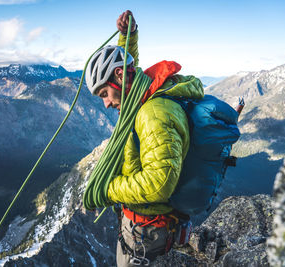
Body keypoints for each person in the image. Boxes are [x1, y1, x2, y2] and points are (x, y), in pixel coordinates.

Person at [85, 10, 204, 267]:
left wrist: (107, 189)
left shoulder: (153, 112)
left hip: (147, 235)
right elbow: (129, 70)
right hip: (146, 227)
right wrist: (128, 39)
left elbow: (159, 183)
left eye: (104, 93)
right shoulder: (140, 93)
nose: (106, 104)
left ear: (118, 77)